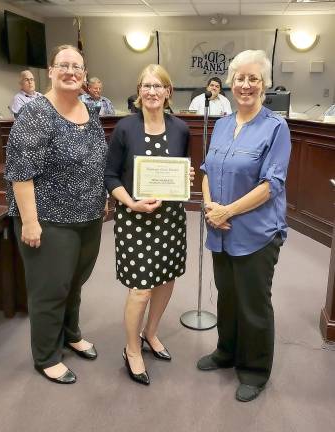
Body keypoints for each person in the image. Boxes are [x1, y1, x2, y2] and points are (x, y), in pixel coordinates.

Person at [5, 45, 108, 384]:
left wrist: (102, 195)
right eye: (63, 65)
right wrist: (30, 222)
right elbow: (20, 173)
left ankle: (71, 334)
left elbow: (96, 159)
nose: (70, 72)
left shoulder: (89, 110)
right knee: (50, 289)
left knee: (74, 283)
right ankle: (47, 355)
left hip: (88, 216)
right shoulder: (35, 114)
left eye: (77, 67)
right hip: (48, 220)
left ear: (84, 73)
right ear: (50, 71)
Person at [197, 50, 291, 402]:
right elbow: (206, 169)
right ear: (231, 83)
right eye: (240, 78)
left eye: (254, 79)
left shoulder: (275, 127)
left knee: (253, 302)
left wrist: (227, 212)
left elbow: (272, 184)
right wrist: (210, 207)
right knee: (228, 296)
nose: (246, 85)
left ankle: (254, 369)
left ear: (264, 85)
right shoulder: (222, 123)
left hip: (256, 233)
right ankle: (226, 351)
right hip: (220, 229)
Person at [105, 64, 194, 386]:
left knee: (166, 280)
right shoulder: (125, 129)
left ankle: (150, 333)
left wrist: (187, 177)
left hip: (170, 219)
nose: (153, 91)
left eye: (159, 86)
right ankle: (131, 349)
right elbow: (110, 175)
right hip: (135, 219)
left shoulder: (181, 129)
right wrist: (130, 202)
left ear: (169, 92)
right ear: (139, 91)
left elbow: (182, 170)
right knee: (141, 290)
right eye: (146, 85)